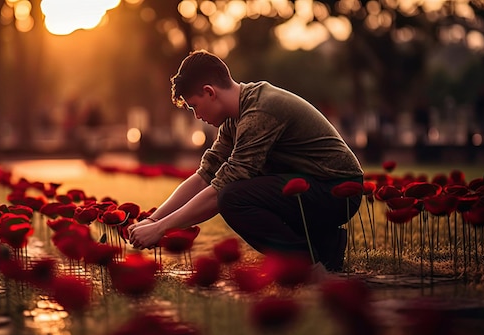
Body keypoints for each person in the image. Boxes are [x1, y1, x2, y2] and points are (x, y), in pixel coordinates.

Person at [128, 50, 364, 271]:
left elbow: (219, 190)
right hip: (312, 185)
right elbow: (205, 175)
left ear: (210, 92)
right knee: (236, 190)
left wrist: (160, 230)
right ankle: (326, 246)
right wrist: (152, 219)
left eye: (195, 107)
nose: (197, 116)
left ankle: (302, 265)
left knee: (233, 197)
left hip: (338, 190)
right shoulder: (234, 117)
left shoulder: (259, 112)